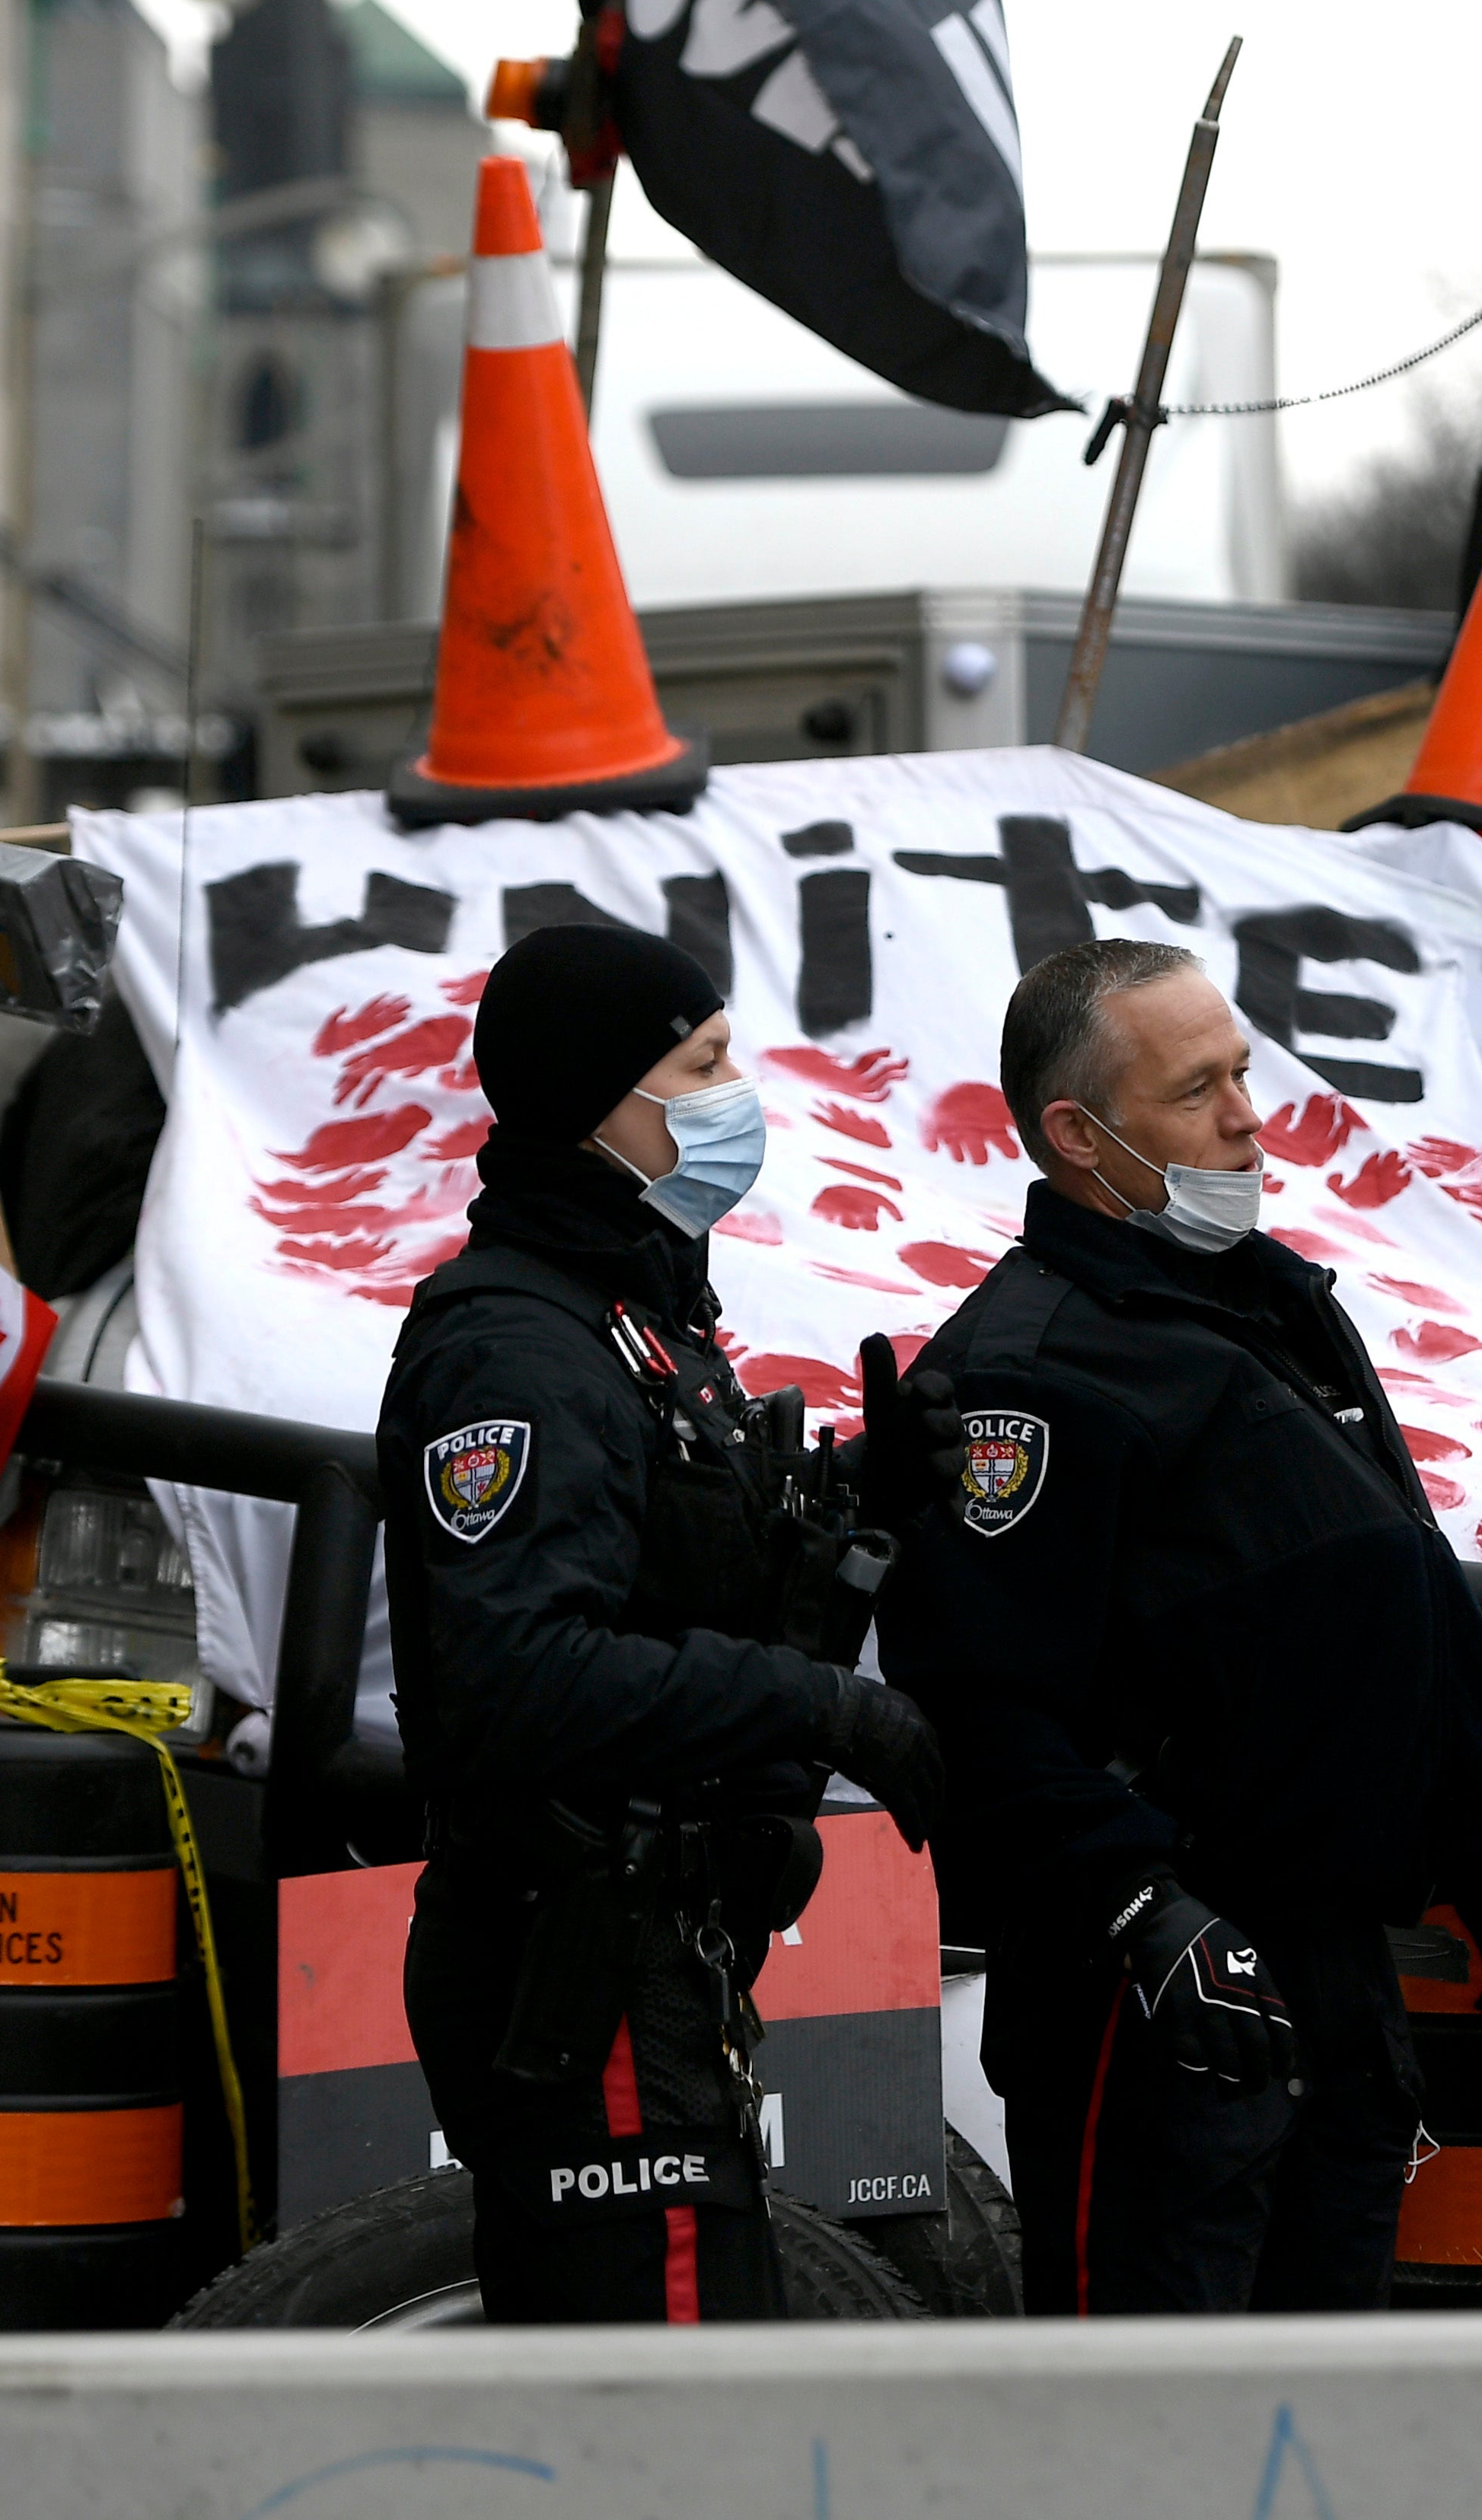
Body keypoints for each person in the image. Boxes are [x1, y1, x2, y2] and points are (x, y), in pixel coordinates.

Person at [876, 938, 1482, 2316]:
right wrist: (1147, 1913)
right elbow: (979, 1705)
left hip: (1331, 1977)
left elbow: (1387, 1609)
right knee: (1159, 2439)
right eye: (1198, 1090)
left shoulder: (1267, 1309)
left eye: (1242, 1072)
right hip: (1151, 1999)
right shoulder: (1029, 1371)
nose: (1248, 1116)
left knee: (1316, 2433)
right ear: (1079, 1135)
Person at [378, 922, 956, 2324]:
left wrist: (856, 1514)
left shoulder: (636, 1319)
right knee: (674, 2425)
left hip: (659, 1958)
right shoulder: (513, 1347)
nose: (733, 1094)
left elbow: (675, 1578)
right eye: (702, 1065)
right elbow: (521, 1672)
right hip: (579, 1968)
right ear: (605, 1103)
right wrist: (823, 1709)